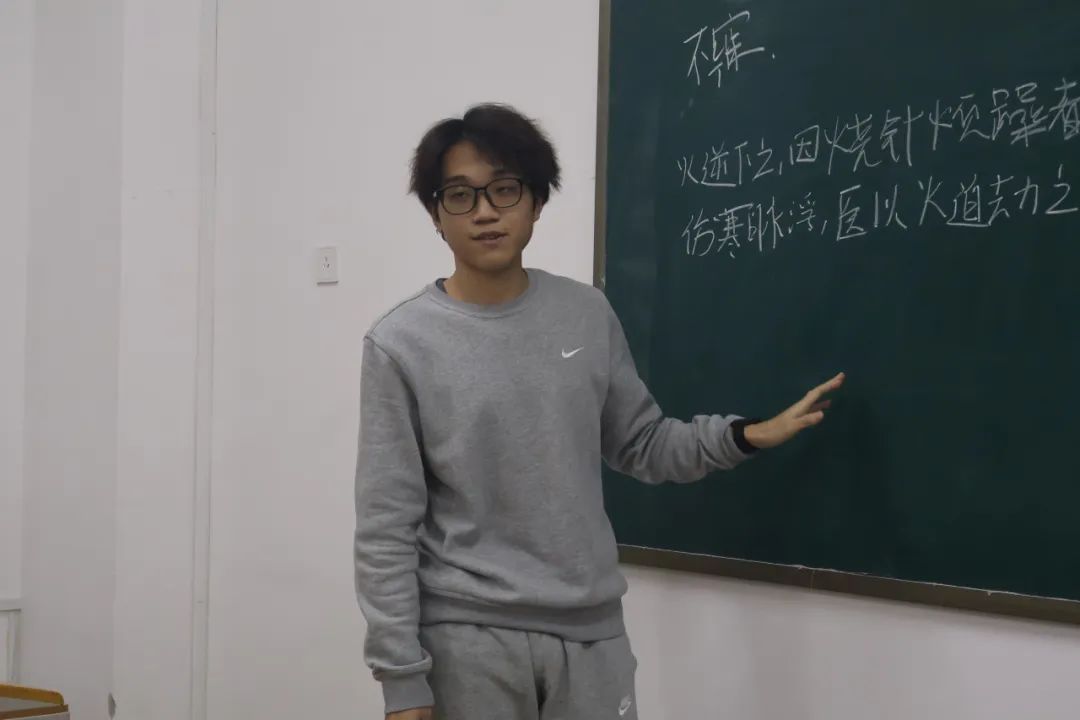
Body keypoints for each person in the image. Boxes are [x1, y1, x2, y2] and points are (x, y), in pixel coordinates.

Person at [354, 103, 844, 720]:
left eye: (505, 189)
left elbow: (641, 443)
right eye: (460, 195)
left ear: (536, 201)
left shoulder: (586, 313)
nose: (485, 211)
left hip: (592, 634)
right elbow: (385, 525)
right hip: (465, 641)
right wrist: (402, 679)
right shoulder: (401, 343)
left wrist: (744, 436)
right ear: (435, 214)